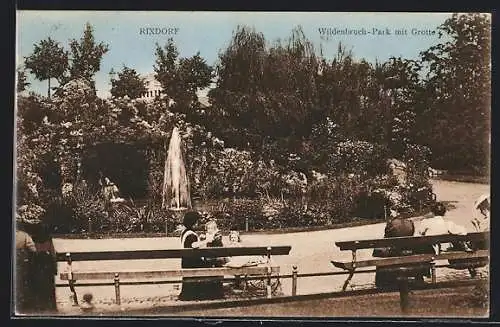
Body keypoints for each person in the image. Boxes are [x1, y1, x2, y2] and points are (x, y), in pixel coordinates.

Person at [178, 211, 217, 301]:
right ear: (193, 222)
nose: (198, 224)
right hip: (192, 262)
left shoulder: (185, 232)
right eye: (197, 222)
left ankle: (194, 292)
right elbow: (193, 245)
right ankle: (210, 293)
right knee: (212, 264)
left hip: (186, 261)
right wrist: (207, 240)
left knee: (208, 263)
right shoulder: (191, 234)